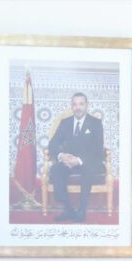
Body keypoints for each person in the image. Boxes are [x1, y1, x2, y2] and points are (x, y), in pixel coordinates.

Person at [48, 92, 105, 222]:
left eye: (81, 104)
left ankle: (82, 210)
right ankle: (68, 208)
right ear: (71, 106)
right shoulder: (65, 122)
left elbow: (97, 149)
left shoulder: (95, 123)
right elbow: (53, 143)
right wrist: (62, 156)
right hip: (69, 161)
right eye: (75, 104)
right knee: (56, 170)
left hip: (89, 161)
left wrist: (79, 161)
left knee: (88, 169)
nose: (78, 107)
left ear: (87, 105)